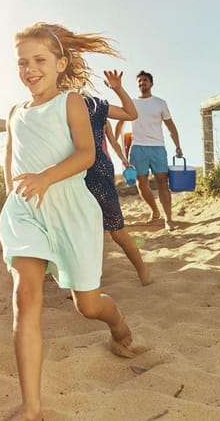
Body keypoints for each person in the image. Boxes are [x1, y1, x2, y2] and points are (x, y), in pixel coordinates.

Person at [0, 22, 145, 421]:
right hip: (26, 212)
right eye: (23, 62)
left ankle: (118, 325)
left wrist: (45, 178)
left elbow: (84, 154)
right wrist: (11, 196)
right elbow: (10, 162)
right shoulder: (14, 112)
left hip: (71, 210)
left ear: (61, 63)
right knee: (24, 298)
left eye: (40, 60)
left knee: (88, 306)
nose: (30, 69)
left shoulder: (72, 103)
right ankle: (32, 407)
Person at [83, 71, 151, 286]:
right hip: (72, 175)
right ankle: (84, 284)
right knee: (81, 231)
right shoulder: (54, 109)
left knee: (117, 231)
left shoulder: (95, 107)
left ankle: (142, 271)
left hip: (99, 172)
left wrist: (123, 159)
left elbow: (116, 135)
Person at [115, 70, 182, 231]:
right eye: (139, 81)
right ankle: (155, 211)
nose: (142, 83)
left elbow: (170, 125)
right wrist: (115, 143)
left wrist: (178, 145)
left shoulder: (160, 103)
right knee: (141, 184)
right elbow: (119, 124)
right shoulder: (131, 103)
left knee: (162, 182)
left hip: (158, 148)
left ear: (151, 83)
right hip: (137, 148)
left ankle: (169, 219)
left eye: (145, 80)